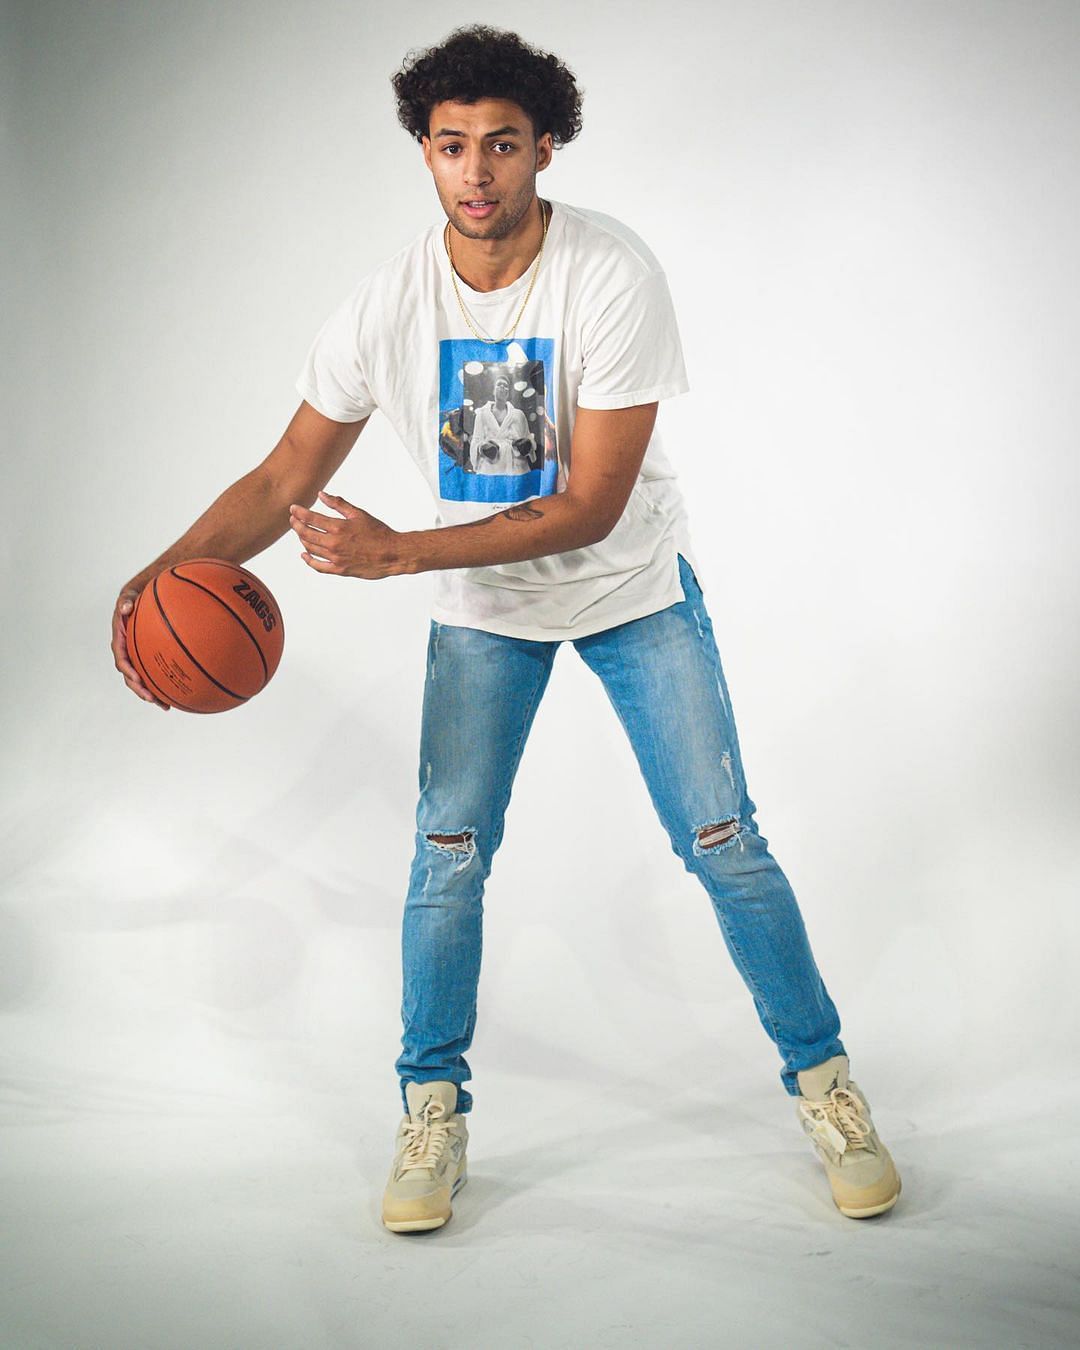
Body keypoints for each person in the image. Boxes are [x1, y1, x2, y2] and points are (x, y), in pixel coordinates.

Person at [110, 24, 901, 1233]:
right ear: (422, 154)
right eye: (449, 147)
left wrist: (399, 553)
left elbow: (589, 505)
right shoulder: (387, 305)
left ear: (546, 148)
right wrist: (160, 574)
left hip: (630, 588)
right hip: (486, 610)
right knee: (447, 857)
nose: (475, 172)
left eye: (502, 146)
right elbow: (281, 480)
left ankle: (827, 1083)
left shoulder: (612, 274)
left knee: (724, 840)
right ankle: (431, 1110)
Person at [470, 372, 536, 474]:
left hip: (516, 467)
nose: (502, 387)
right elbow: (475, 441)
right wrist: (482, 448)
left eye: (505, 386)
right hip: (489, 467)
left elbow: (529, 439)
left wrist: (528, 445)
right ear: (493, 390)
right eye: (499, 384)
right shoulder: (482, 414)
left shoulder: (519, 415)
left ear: (508, 393)